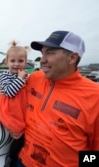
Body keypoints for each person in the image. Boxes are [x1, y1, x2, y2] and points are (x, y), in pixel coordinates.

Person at [16, 30, 99, 167]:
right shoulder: (34, 79)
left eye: (50, 53)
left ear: (72, 58)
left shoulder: (95, 96)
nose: (42, 60)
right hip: (23, 162)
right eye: (42, 53)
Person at [0, 40, 29, 167]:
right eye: (12, 61)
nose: (16, 64)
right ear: (6, 62)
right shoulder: (4, 76)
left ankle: (19, 156)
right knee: (18, 135)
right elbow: (10, 92)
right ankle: (11, 157)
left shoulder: (27, 76)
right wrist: (20, 79)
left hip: (21, 109)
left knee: (26, 134)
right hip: (10, 109)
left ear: (25, 62)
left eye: (20, 61)